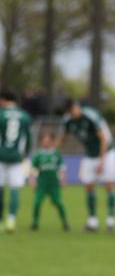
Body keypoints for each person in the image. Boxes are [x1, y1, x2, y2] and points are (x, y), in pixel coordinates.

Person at [60, 99, 115, 232]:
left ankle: (111, 221)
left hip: (107, 152)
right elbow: (63, 137)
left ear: (77, 106)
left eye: (74, 109)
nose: (73, 112)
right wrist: (54, 150)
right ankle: (92, 222)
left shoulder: (91, 116)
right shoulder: (69, 120)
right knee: (88, 186)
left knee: (109, 185)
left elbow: (103, 139)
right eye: (70, 111)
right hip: (90, 154)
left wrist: (102, 161)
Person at [0, 91, 32, 232]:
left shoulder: (1, 114)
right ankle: (11, 220)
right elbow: (29, 138)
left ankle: (0, 221)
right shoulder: (25, 116)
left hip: (1, 156)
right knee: (14, 189)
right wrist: (26, 154)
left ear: (4, 100)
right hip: (17, 157)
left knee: (0, 188)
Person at [29, 131, 69, 231]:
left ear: (52, 141)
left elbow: (62, 168)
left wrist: (63, 179)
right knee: (37, 203)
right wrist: (32, 180)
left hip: (54, 183)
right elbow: (33, 169)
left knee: (59, 203)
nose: (46, 142)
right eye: (44, 140)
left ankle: (65, 223)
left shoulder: (56, 153)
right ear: (41, 141)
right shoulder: (38, 154)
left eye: (48, 140)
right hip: (42, 183)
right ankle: (35, 223)